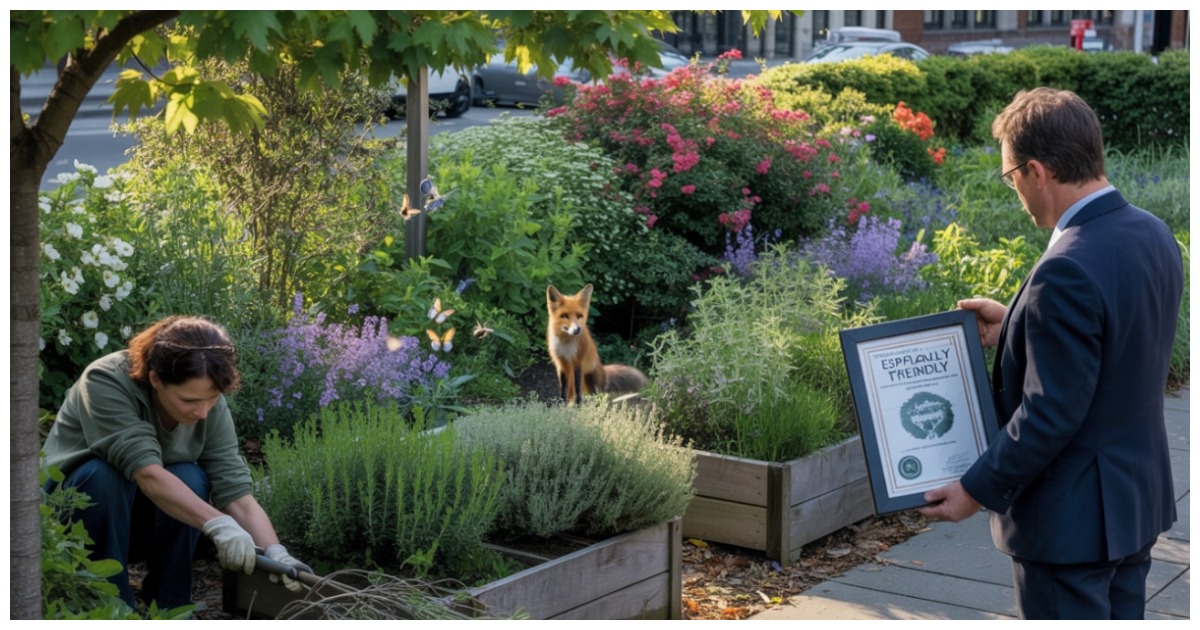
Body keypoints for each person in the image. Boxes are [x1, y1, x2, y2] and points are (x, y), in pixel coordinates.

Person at [918, 88, 1183, 619]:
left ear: (1036, 171)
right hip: (1133, 504)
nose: (1014, 188)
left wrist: (974, 489)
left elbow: (1050, 412)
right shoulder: (1153, 233)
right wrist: (1018, 323)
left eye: (1010, 176)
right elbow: (1118, 340)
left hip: (1070, 528)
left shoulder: (1065, 267)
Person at [42, 316, 311, 610]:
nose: (203, 412)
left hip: (133, 523)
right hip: (72, 524)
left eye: (212, 398)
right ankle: (111, 607)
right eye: (189, 401)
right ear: (156, 379)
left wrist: (275, 553)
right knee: (103, 475)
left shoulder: (204, 399)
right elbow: (146, 473)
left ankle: (170, 607)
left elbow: (236, 492)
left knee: (190, 477)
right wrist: (218, 523)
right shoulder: (105, 380)